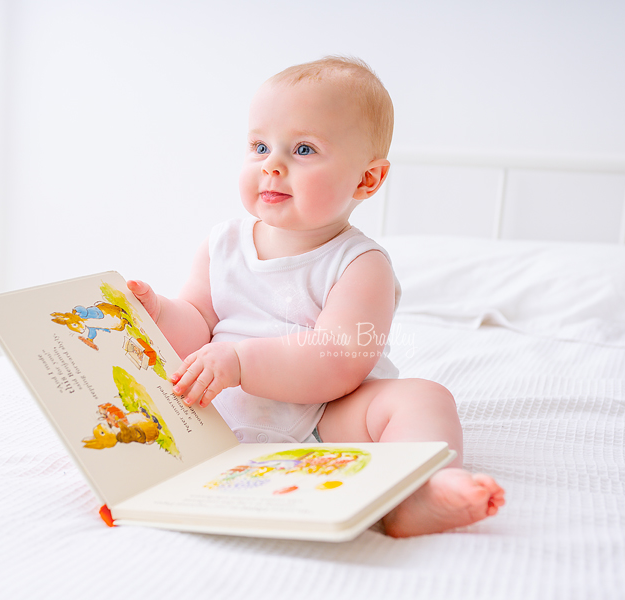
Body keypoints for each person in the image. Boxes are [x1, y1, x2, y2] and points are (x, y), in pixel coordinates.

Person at [127, 56, 504, 537]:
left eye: (303, 149)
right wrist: (159, 312)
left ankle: (420, 491)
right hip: (221, 415)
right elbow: (197, 323)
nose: (273, 165)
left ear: (367, 179)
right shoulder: (222, 244)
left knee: (423, 399)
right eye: (260, 146)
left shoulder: (360, 264)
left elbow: (339, 359)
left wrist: (241, 361)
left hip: (326, 422)